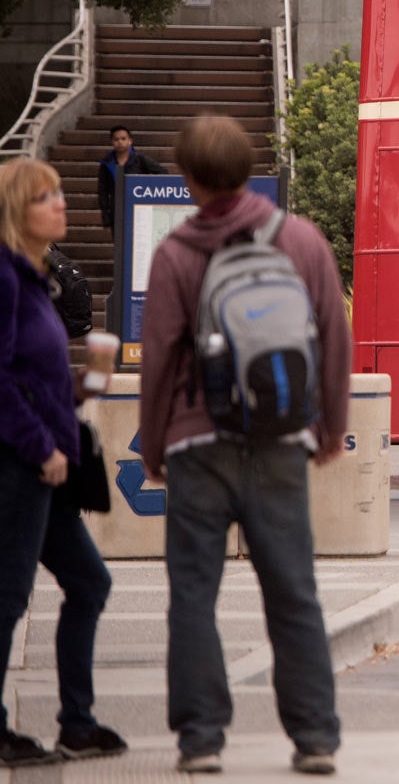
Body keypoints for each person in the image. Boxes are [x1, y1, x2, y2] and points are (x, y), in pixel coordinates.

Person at [138, 115, 347, 776]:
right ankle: (314, 736)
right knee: (293, 589)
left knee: (194, 593)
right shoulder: (301, 240)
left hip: (198, 445)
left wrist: (154, 446)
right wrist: (329, 426)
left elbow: (162, 362)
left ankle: (201, 739)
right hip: (281, 439)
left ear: (190, 177)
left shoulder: (175, 254)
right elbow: (332, 338)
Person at [0, 159, 124, 768]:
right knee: (6, 596)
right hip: (19, 466)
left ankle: (78, 722)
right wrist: (39, 445)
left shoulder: (35, 279)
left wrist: (80, 386)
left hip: (44, 467)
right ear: (15, 214)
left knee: (89, 581)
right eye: (44, 197)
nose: (60, 203)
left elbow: (29, 375)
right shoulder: (4, 280)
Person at [95, 126, 167, 241]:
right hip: (117, 209)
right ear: (112, 142)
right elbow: (102, 191)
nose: (120, 142)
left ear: (130, 141)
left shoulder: (140, 159)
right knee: (119, 243)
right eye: (116, 139)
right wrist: (106, 217)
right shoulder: (107, 163)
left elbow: (162, 172)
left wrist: (146, 189)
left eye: (123, 139)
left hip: (139, 208)